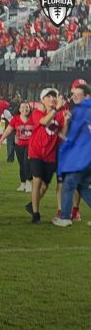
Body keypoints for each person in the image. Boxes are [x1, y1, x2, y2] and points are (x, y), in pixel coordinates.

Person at [25, 88, 66, 224]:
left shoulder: (60, 115)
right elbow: (43, 122)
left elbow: (61, 135)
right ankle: (36, 214)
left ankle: (32, 205)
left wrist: (66, 121)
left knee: (45, 185)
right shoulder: (37, 113)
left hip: (50, 155)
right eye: (48, 97)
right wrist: (57, 109)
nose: (52, 99)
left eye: (53, 96)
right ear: (42, 100)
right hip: (36, 152)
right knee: (37, 181)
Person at [53, 83, 91, 227]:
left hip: (83, 156)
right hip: (86, 156)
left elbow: (72, 136)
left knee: (68, 184)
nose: (73, 96)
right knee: (82, 187)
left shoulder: (83, 110)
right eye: (73, 93)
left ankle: (64, 217)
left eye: (77, 94)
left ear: (87, 95)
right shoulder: (82, 110)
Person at [0, 102, 33, 192]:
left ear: (30, 109)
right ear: (19, 109)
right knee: (21, 164)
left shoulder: (33, 119)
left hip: (31, 145)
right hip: (19, 145)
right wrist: (1, 140)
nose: (25, 109)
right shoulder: (15, 119)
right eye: (23, 107)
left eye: (27, 107)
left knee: (26, 163)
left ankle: (29, 183)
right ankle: (23, 184)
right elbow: (8, 130)